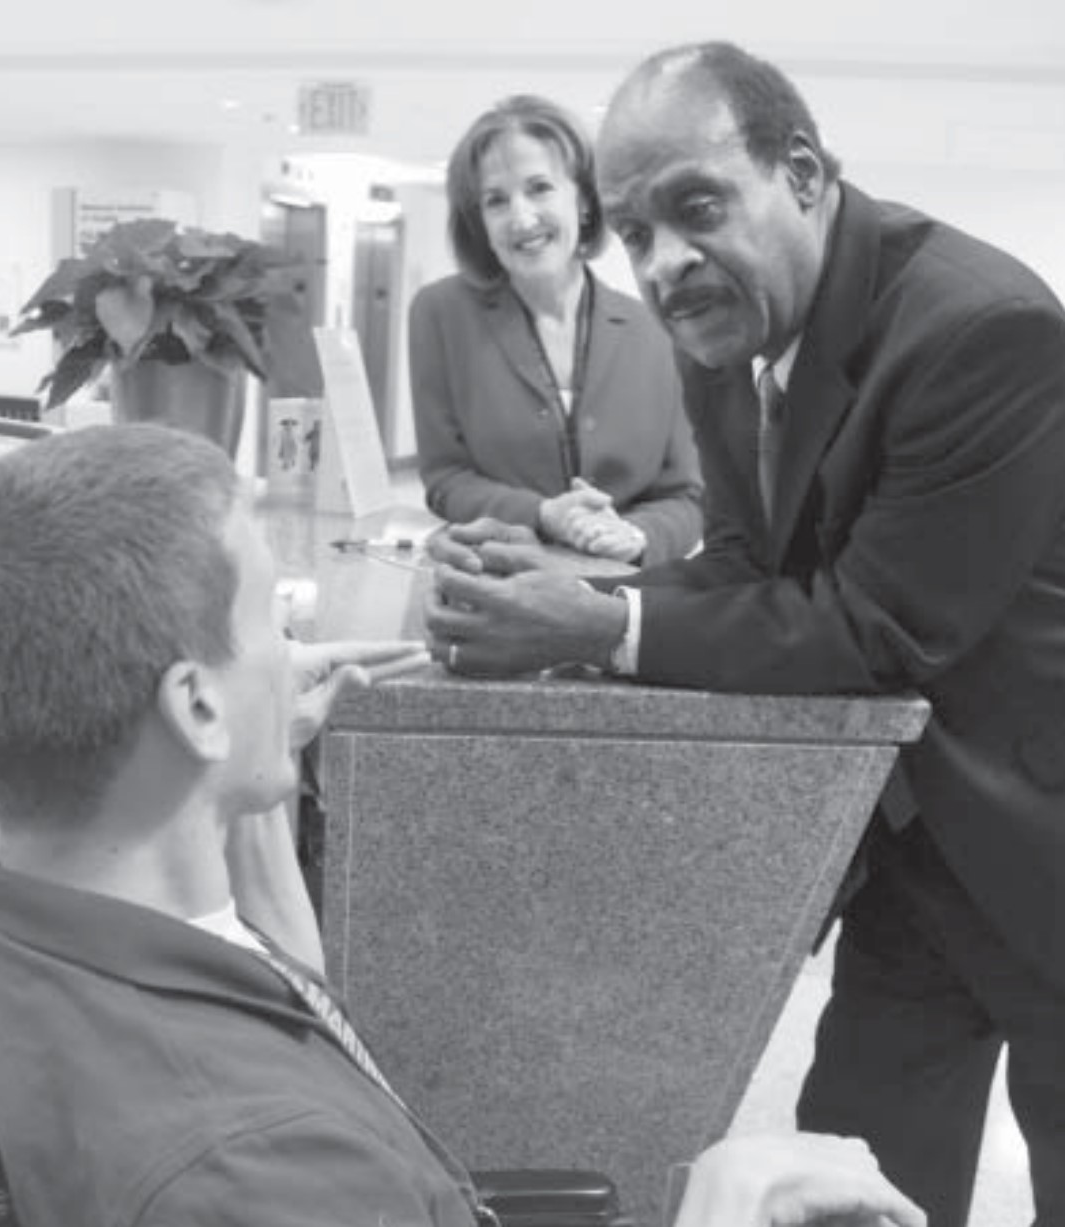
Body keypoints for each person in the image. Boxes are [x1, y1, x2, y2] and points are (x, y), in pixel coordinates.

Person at [0, 423, 921, 1227]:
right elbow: (265, 1133)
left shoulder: (37, 918)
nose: (290, 647)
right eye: (272, 620)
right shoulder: (257, 1167)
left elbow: (279, 993)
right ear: (195, 705)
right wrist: (722, 1204)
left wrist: (251, 771)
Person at [424, 40, 1065, 1227]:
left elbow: (876, 626)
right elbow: (746, 562)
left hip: (1041, 838)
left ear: (803, 175)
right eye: (635, 232)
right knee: (847, 1181)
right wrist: (568, 593)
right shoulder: (731, 334)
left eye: (698, 209)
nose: (665, 261)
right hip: (914, 851)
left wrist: (601, 626)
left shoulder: (981, 327)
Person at [410, 94, 703, 565]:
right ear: (479, 220)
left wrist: (637, 535)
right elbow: (446, 479)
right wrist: (544, 514)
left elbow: (687, 495)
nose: (521, 217)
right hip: (497, 584)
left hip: (620, 592)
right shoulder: (440, 314)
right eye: (496, 200)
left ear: (584, 200)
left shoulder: (655, 330)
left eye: (540, 188)